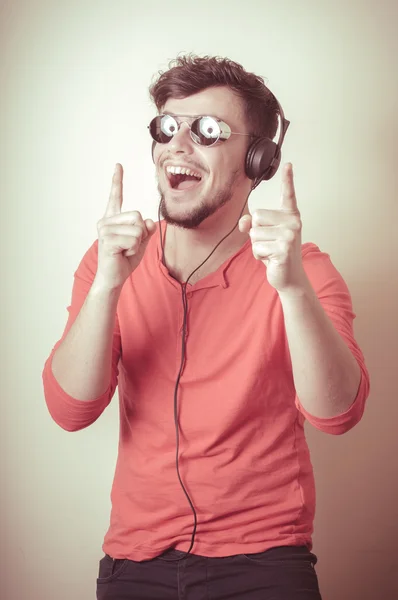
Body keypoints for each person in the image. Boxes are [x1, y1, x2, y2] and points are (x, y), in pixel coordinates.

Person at [42, 54, 370, 600]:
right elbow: (70, 411)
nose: (177, 145)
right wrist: (106, 287)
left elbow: (339, 415)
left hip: (265, 564)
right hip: (133, 562)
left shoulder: (306, 273)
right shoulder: (108, 266)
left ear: (258, 160)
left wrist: (291, 291)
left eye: (208, 132)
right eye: (168, 128)